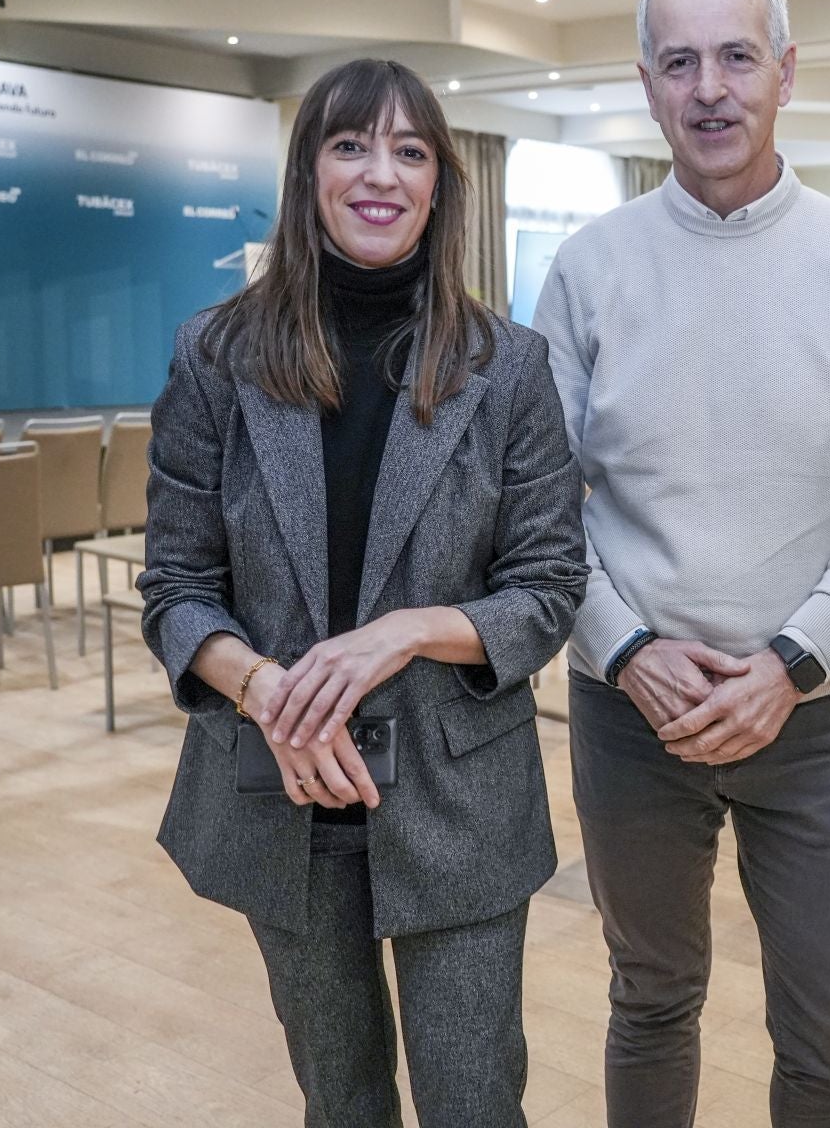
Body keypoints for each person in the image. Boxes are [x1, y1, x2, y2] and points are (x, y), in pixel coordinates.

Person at [532, 0, 830, 1128]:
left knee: (828, 1037)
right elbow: (539, 510)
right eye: (680, 61)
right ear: (648, 82)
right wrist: (625, 649)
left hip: (814, 720)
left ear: (786, 72)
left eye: (736, 56)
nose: (709, 86)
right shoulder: (590, 268)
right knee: (651, 999)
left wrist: (790, 662)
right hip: (632, 713)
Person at [138, 57, 587, 1127]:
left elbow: (549, 585)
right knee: (340, 1098)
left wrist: (406, 631)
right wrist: (262, 688)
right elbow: (175, 585)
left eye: (410, 150)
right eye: (350, 145)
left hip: (456, 790)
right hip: (280, 782)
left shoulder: (508, 363)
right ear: (308, 175)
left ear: (440, 184)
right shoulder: (218, 353)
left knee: (474, 1098)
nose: (379, 173)